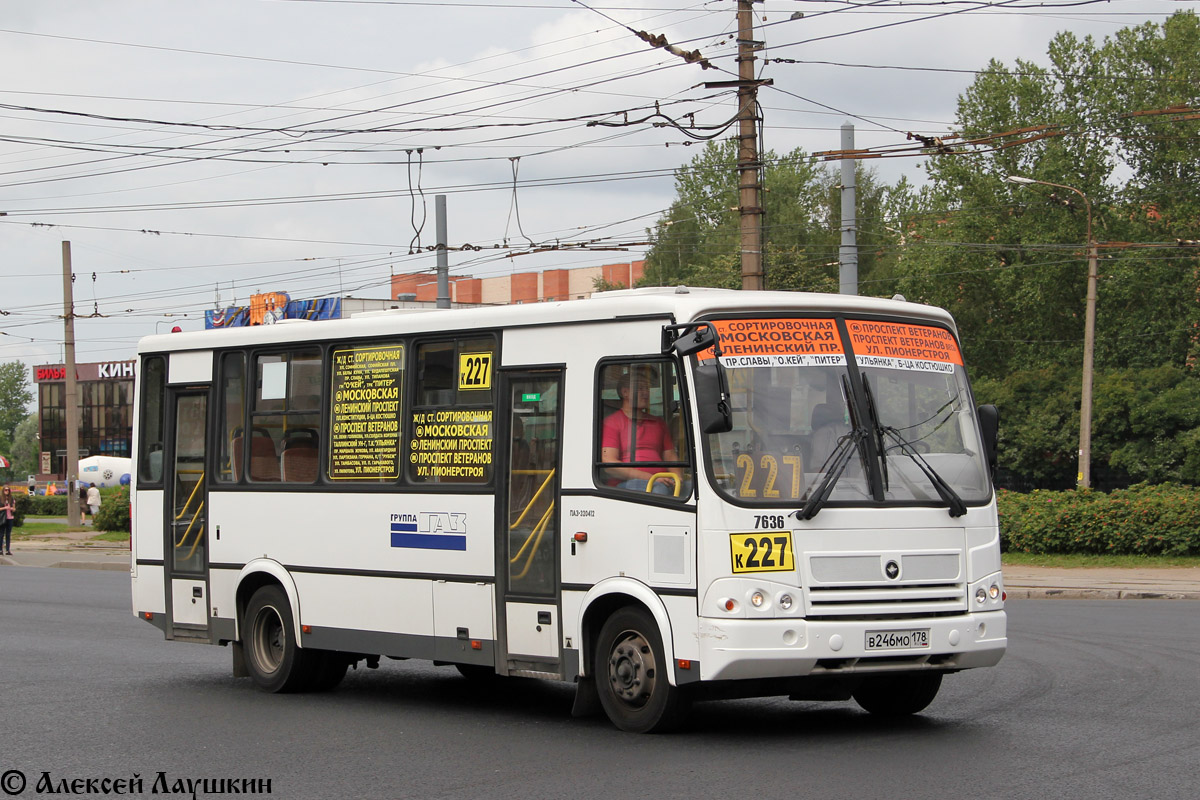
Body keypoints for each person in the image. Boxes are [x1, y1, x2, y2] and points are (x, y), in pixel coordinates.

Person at [601, 365, 683, 496]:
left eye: (647, 388)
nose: (646, 393)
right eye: (640, 388)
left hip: (662, 480)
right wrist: (650, 478)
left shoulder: (658, 423)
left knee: (694, 490)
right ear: (625, 392)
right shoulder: (612, 423)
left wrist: (677, 478)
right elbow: (610, 465)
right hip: (626, 484)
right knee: (658, 490)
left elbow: (670, 456)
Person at [1, 486, 14, 555]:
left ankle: (7, 550)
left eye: (8, 490)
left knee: (8, 534)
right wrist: (5, 507)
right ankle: (0, 549)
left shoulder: (11, 499)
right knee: (1, 534)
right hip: (3, 518)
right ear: (3, 491)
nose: (7, 491)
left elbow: (14, 508)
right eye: (5, 490)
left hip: (10, 517)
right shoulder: (0, 499)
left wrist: (11, 508)